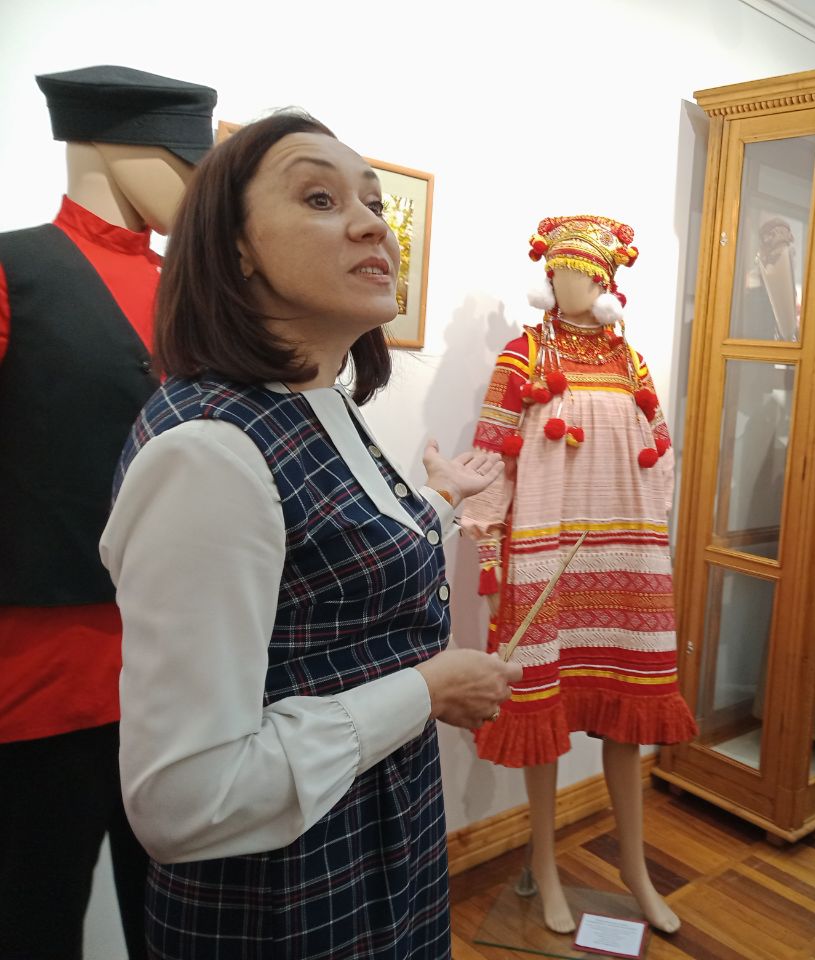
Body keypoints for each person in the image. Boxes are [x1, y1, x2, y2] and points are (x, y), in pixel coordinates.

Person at [98, 111, 521, 960]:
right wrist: (428, 691)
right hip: (285, 905)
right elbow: (186, 800)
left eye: (374, 203)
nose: (373, 225)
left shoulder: (310, 402)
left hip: (373, 859)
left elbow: (322, 562)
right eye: (321, 199)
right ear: (237, 249)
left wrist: (439, 500)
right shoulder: (208, 453)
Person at [0, 65, 217, 960]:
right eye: (185, 160)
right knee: (32, 921)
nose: (198, 183)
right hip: (39, 681)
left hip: (181, 677)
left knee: (180, 927)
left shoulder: (194, 296)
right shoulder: (15, 268)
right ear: (110, 143)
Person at [461, 215, 697, 935]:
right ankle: (544, 863)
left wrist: (648, 537)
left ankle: (634, 868)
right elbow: (492, 457)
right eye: (559, 272)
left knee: (627, 716)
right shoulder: (523, 357)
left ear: (606, 283)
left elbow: (661, 454)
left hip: (625, 560)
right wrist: (490, 550)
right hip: (546, 554)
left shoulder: (632, 364)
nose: (568, 285)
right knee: (544, 715)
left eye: (584, 275)